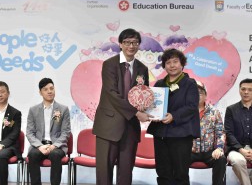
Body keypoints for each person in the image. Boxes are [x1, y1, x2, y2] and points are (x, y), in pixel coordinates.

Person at [93, 28, 152, 185]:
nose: (131, 46)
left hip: (130, 128)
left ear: (138, 45)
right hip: (108, 126)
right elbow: (112, 94)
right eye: (127, 42)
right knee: (104, 172)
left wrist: (146, 108)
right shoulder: (109, 65)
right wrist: (136, 113)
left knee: (126, 172)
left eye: (135, 42)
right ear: (120, 44)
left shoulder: (142, 69)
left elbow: (143, 94)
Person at [147, 48, 200, 185]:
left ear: (182, 64)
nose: (172, 65)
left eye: (175, 61)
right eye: (168, 62)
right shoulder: (159, 84)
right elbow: (153, 106)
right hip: (160, 134)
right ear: (164, 66)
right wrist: (147, 110)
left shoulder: (190, 84)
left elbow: (191, 106)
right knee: (163, 172)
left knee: (180, 174)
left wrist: (174, 116)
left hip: (181, 134)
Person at [26, 78, 71, 185]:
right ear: (40, 92)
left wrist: (53, 146)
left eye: (51, 88)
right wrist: (39, 146)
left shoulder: (63, 109)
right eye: (45, 89)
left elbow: (66, 132)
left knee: (55, 155)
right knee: (32, 155)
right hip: (39, 145)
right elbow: (29, 132)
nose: (49, 91)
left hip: (56, 146)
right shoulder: (33, 110)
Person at [191, 81, 227, 185]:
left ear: (206, 95)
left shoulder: (214, 112)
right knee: (177, 159)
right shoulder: (186, 111)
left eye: (200, 93)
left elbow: (220, 133)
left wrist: (219, 148)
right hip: (189, 151)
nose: (197, 95)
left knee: (221, 159)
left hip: (209, 151)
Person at [225, 78, 252, 185]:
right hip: (236, 149)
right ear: (239, 90)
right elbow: (229, 133)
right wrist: (241, 150)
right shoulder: (231, 109)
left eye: (250, 90)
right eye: (243, 89)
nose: (246, 92)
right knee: (238, 161)